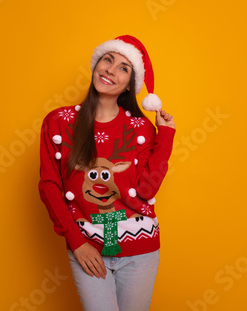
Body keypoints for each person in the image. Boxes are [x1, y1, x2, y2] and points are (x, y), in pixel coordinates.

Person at [38, 35, 175, 311]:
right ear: (96, 65)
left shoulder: (141, 129)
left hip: (140, 249)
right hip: (86, 247)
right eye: (107, 60)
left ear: (129, 85)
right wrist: (77, 243)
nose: (111, 70)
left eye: (124, 68)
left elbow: (147, 190)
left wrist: (166, 135)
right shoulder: (59, 123)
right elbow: (49, 185)